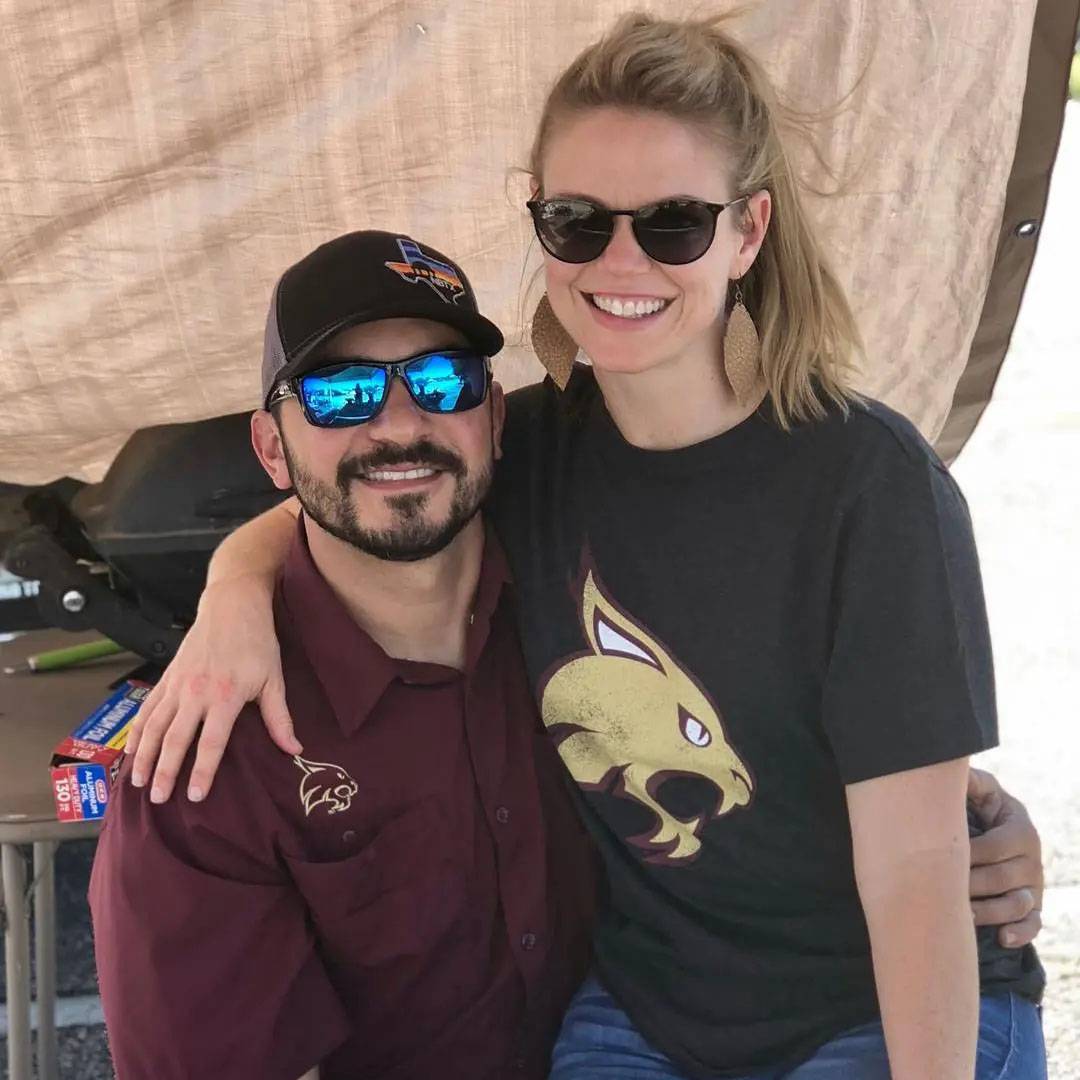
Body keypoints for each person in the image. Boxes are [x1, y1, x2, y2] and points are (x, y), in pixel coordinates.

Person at [125, 13, 1048, 1080]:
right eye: (576, 221)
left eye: (671, 224)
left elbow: (914, 878)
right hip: (651, 1010)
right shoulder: (537, 448)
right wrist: (232, 590)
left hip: (867, 1003)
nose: (620, 260)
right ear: (540, 223)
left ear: (748, 232)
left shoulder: (870, 487)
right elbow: (376, 481)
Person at [89, 230, 594, 1080]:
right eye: (341, 393)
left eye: (441, 380)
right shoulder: (204, 766)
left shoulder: (574, 582)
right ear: (272, 448)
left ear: (497, 417)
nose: (400, 426)